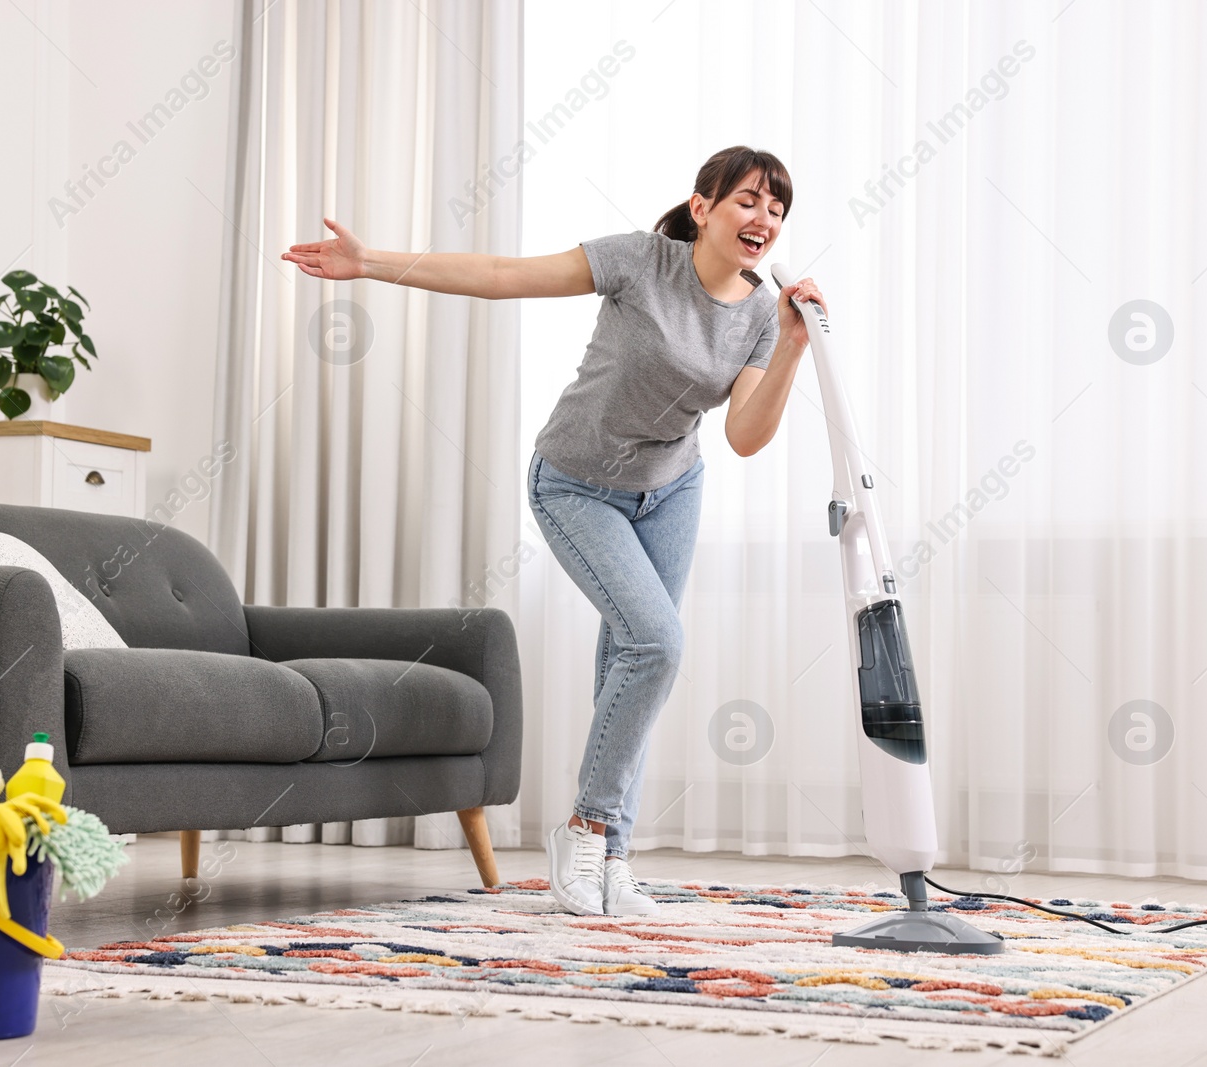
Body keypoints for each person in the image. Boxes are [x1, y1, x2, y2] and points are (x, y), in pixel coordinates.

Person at [282, 145, 824, 917]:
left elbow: (743, 432)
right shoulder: (640, 262)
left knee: (632, 661)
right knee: (658, 643)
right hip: (575, 482)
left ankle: (612, 859)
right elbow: (504, 276)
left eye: (776, 208)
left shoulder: (760, 316)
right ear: (702, 207)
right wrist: (372, 263)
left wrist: (794, 346)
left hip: (670, 489)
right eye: (747, 200)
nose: (763, 218)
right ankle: (586, 826)